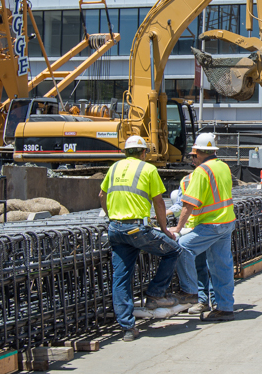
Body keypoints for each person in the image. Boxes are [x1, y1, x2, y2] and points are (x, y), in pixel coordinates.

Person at [99, 135, 182, 342]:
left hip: (115, 229)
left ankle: (128, 328)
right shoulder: (148, 169)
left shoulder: (115, 167)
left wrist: (112, 217)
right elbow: (159, 203)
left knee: (121, 278)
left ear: (126, 152)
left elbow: (102, 195)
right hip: (137, 229)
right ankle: (155, 294)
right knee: (173, 250)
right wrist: (164, 229)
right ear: (143, 153)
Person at [171, 132, 236, 321]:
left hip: (211, 224)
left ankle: (191, 293)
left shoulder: (201, 171)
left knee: (182, 247)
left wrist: (177, 228)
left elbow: (188, 203)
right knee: (221, 266)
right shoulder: (223, 166)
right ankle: (225, 307)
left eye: (193, 155)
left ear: (198, 152)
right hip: (226, 222)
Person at [171, 167, 216, 314]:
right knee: (199, 266)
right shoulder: (185, 181)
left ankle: (216, 301)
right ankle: (203, 300)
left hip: (209, 226)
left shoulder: (210, 180)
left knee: (212, 266)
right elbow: (180, 205)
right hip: (192, 229)